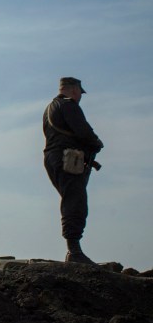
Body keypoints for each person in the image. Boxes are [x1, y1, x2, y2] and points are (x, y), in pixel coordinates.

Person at [42, 77, 104, 264]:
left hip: (54, 158)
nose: (80, 97)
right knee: (75, 201)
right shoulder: (69, 106)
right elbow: (83, 131)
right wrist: (96, 143)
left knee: (72, 198)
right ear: (75, 90)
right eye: (80, 93)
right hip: (66, 158)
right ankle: (74, 251)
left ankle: (73, 249)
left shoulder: (50, 108)